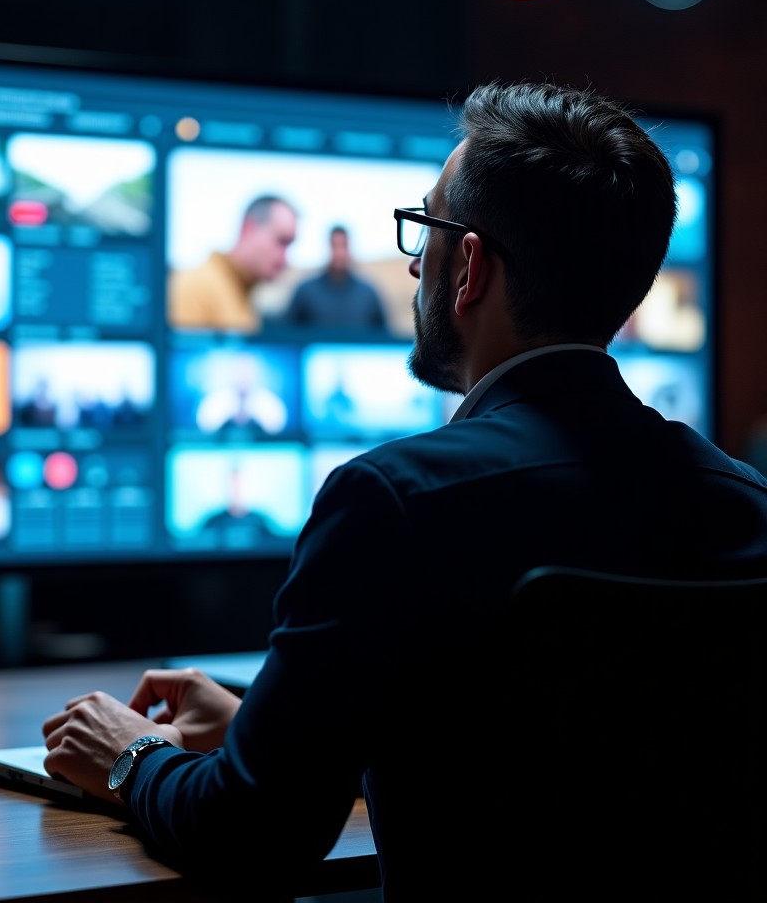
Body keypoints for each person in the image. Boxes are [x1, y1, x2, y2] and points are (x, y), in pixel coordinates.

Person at [40, 81, 767, 899]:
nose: (414, 259)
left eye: (427, 230)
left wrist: (130, 755)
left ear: (469, 269)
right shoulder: (743, 501)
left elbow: (252, 834)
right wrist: (265, 730)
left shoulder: (396, 501)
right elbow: (560, 764)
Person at [168, 194, 298, 332]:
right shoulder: (195, 286)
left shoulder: (241, 292)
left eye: (289, 246)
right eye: (281, 241)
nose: (285, 258)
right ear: (248, 228)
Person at [283, 222, 388, 330]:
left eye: (343, 245)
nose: (339, 253)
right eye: (335, 246)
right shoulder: (305, 291)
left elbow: (383, 336)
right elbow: (287, 333)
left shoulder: (368, 293)